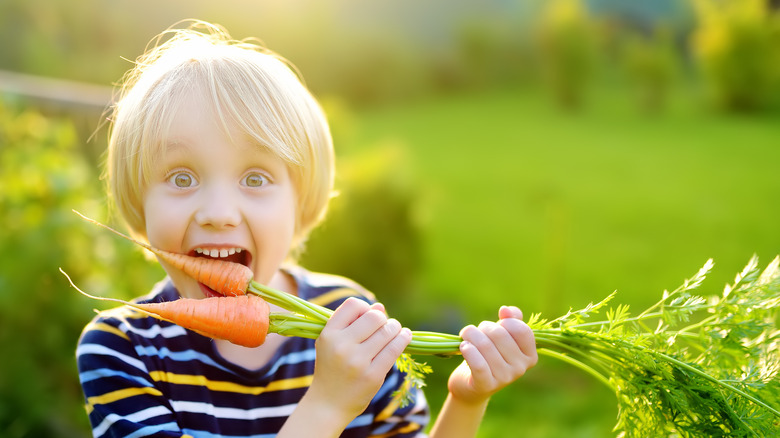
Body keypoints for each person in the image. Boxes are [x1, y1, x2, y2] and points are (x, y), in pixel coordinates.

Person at [77, 20, 538, 438]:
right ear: (139, 200)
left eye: (255, 178)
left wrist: (466, 398)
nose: (218, 212)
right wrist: (327, 405)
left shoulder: (348, 317)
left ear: (302, 204)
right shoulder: (121, 349)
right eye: (182, 177)